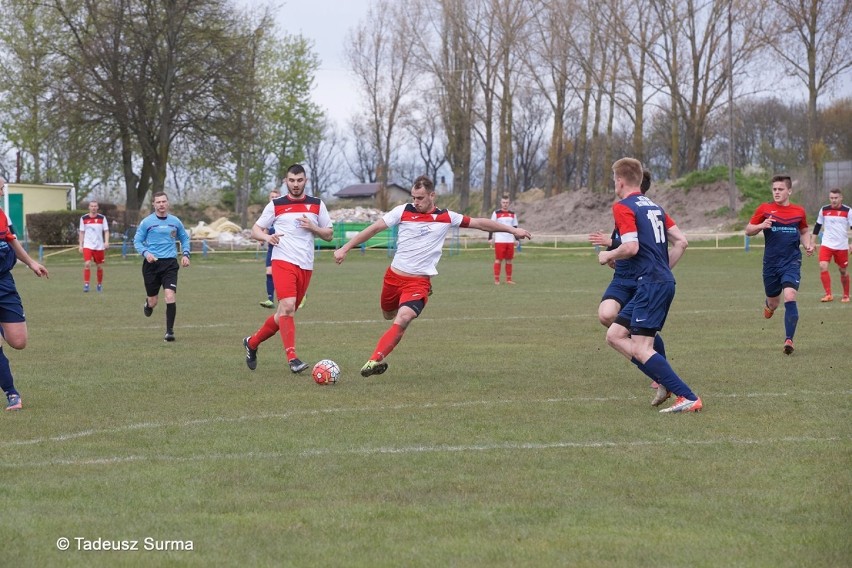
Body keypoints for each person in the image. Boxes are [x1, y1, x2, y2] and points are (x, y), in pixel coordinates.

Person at [334, 175, 532, 377]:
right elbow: (374, 228)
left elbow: (480, 223)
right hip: (393, 278)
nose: (415, 202)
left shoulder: (446, 217)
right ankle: (382, 344)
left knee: (403, 319)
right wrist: (345, 248)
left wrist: (512, 229)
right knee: (388, 314)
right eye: (414, 197)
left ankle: (373, 361)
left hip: (418, 283)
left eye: (420, 198)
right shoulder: (402, 211)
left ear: (432, 195)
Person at [597, 158, 700, 414]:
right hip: (655, 281)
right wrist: (663, 270)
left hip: (651, 284)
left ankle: (686, 396)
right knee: (615, 335)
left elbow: (631, 247)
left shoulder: (623, 206)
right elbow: (682, 242)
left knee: (643, 347)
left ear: (620, 181)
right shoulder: (654, 207)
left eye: (614, 180)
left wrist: (608, 255)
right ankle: (665, 382)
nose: (614, 184)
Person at [243, 164, 333, 374]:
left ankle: (252, 343)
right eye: (291, 181)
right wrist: (267, 237)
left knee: (283, 312)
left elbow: (329, 234)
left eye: (299, 180)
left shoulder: (317, 204)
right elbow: (255, 230)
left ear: (305, 181)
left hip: (306, 265)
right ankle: (292, 358)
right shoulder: (276, 204)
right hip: (282, 261)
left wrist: (314, 228)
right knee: (289, 306)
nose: (295, 184)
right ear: (286, 181)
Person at [745, 175, 814, 354]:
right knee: (774, 302)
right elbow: (748, 230)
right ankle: (769, 305)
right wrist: (762, 225)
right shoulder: (765, 209)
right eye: (774, 189)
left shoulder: (799, 211)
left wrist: (807, 243)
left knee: (790, 296)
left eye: (780, 189)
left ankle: (788, 340)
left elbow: (804, 230)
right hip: (771, 264)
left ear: (789, 191)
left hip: (791, 262)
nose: (776, 192)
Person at [0, 176, 50, 410]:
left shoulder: (2, 215)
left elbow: (11, 241)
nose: (2, 193)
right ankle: (12, 393)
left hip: (4, 283)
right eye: (0, 189)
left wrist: (31, 263)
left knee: (19, 342)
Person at [133, 191, 191, 342]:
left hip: (170, 263)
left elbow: (185, 238)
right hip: (152, 264)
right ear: (153, 204)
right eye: (158, 202)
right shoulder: (147, 222)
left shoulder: (175, 221)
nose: (161, 204)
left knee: (170, 296)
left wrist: (185, 254)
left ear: (168, 203)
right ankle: (148, 304)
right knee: (154, 301)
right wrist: (146, 254)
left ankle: (169, 332)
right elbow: (137, 242)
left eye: (163, 201)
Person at [809, 188, 851, 303]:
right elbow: (817, 226)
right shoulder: (824, 210)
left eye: (836, 198)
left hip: (841, 246)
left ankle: (846, 295)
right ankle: (828, 294)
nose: (833, 200)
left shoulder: (848, 211)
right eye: (831, 198)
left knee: (843, 270)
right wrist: (812, 242)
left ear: (841, 198)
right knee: (823, 266)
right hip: (827, 244)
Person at [78, 200, 110, 293]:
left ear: (98, 207)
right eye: (92, 206)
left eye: (95, 206)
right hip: (87, 245)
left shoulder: (102, 218)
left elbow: (106, 231)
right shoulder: (84, 218)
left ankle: (99, 284)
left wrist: (106, 242)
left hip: (99, 246)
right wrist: (81, 245)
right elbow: (81, 232)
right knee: (87, 263)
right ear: (89, 207)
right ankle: (86, 284)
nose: (93, 208)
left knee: (99, 266)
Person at [488, 194, 519, 284]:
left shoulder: (512, 214)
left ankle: (509, 279)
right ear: (501, 203)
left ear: (509, 203)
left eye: (507, 202)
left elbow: (515, 227)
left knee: (509, 260)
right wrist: (490, 238)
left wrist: (517, 239)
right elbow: (491, 225)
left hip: (510, 240)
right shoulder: (496, 213)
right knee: (498, 259)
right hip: (499, 240)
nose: (505, 204)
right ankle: (497, 280)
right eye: (503, 202)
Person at [259, 188, 281, 309]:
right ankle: (270, 300)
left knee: (281, 275)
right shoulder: (268, 212)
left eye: (276, 197)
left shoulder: (283, 212)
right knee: (269, 272)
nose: (274, 199)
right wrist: (263, 239)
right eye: (272, 197)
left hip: (283, 249)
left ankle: (300, 293)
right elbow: (266, 228)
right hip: (272, 248)